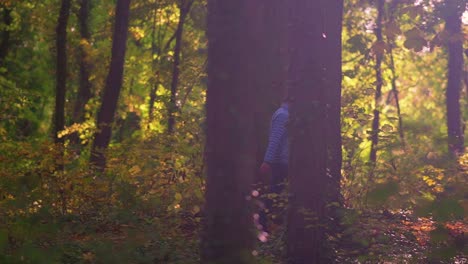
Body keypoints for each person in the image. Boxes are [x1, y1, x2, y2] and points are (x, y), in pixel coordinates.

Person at [258, 98, 290, 232]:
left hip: (284, 161)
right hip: (280, 162)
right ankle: (262, 225)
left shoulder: (287, 114)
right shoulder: (283, 115)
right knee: (274, 192)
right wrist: (267, 161)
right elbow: (275, 140)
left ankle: (271, 225)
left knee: (277, 193)